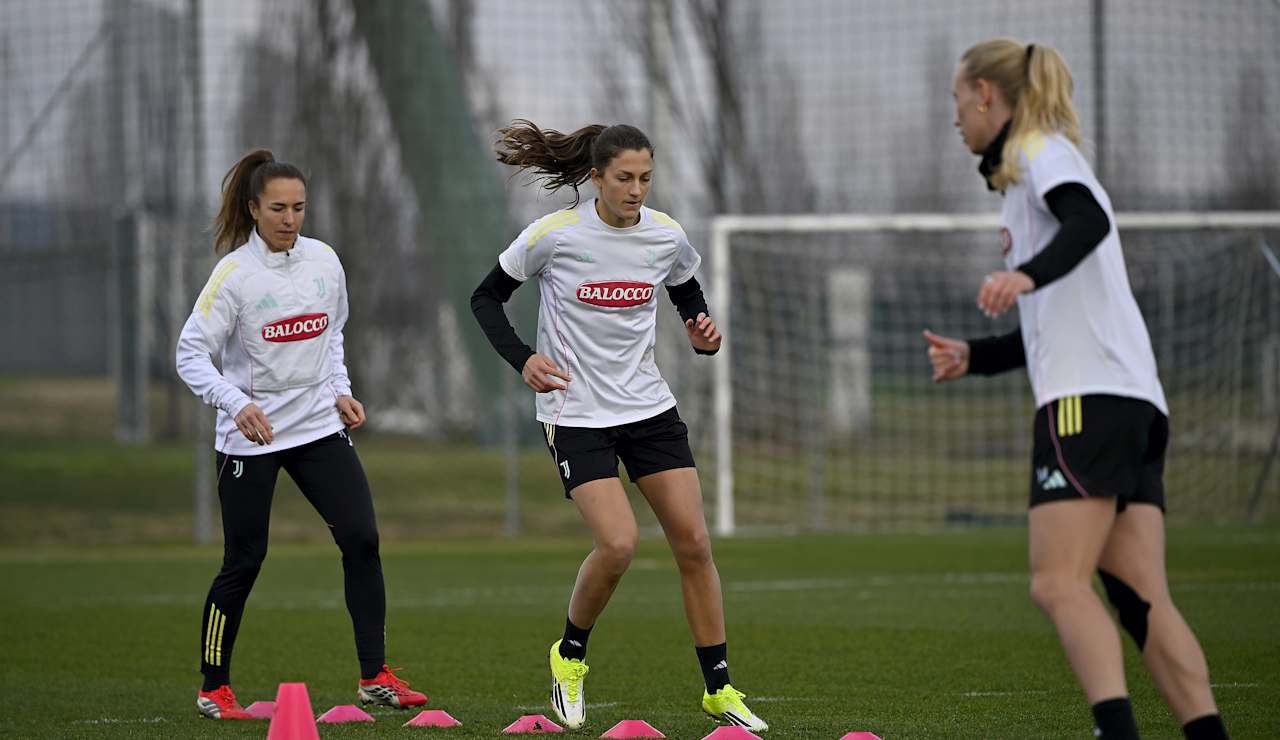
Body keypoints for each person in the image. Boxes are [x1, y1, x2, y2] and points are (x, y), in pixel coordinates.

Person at [924, 39, 1229, 740]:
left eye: (956, 99)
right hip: (1134, 404)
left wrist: (1026, 275)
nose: (954, 117)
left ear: (986, 96)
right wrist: (977, 356)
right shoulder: (1031, 173)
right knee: (1140, 596)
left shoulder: (1040, 151)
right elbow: (1052, 329)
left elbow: (1088, 221)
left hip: (1085, 406)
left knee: (1057, 583)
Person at [470, 120, 768, 732]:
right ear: (596, 177)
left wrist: (702, 333)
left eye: (646, 178)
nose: (636, 190)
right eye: (625, 178)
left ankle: (719, 689)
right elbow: (485, 298)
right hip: (575, 413)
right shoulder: (553, 236)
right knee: (620, 544)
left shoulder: (665, 236)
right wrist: (524, 357)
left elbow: (688, 294)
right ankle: (569, 654)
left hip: (649, 409)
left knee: (695, 544)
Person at [176, 149, 427, 719]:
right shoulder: (235, 275)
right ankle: (213, 687)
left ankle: (374, 676)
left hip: (317, 425)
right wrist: (236, 403)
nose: (290, 219)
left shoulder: (324, 261)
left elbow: (332, 333)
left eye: (299, 208)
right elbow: (190, 353)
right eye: (278, 209)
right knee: (245, 558)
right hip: (251, 439)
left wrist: (339, 388)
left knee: (362, 539)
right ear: (254, 210)